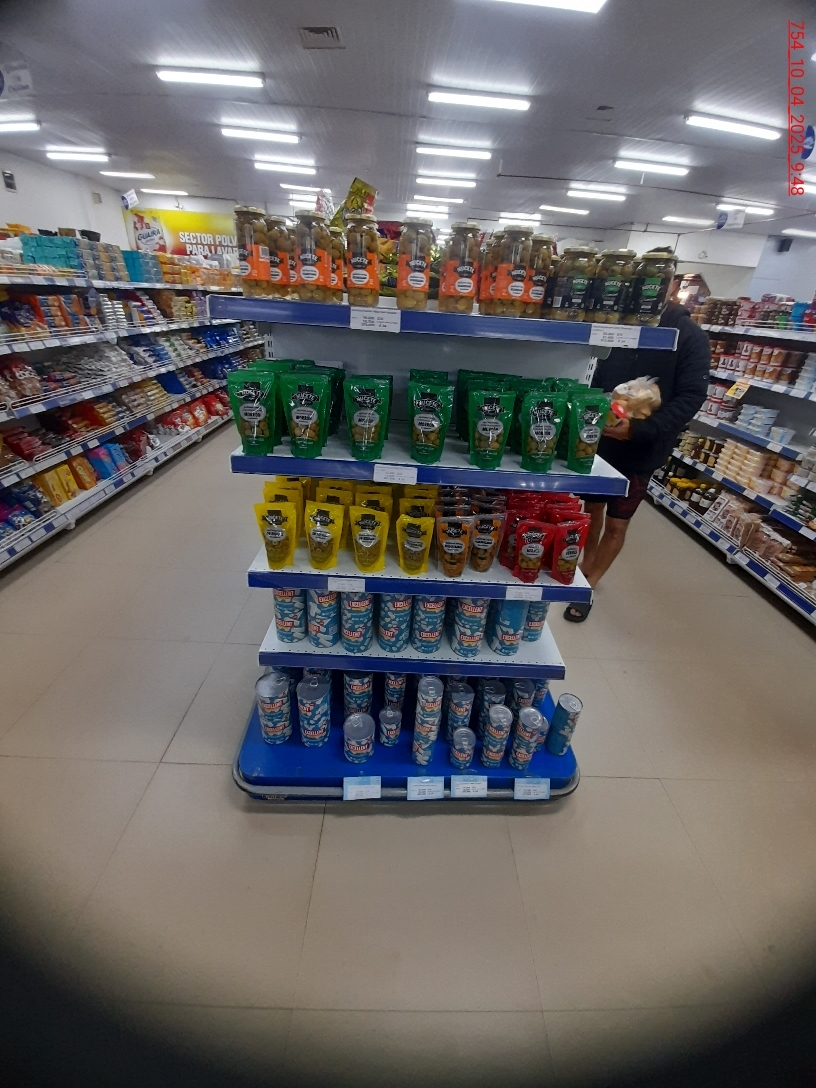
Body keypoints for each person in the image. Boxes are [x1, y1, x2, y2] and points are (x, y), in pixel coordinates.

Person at [564, 297, 711, 621]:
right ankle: (585, 565)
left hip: (643, 448)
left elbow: (692, 396)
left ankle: (590, 583)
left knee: (618, 523)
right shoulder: (622, 324)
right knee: (591, 509)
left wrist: (641, 429)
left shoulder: (688, 335)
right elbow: (597, 373)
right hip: (602, 441)